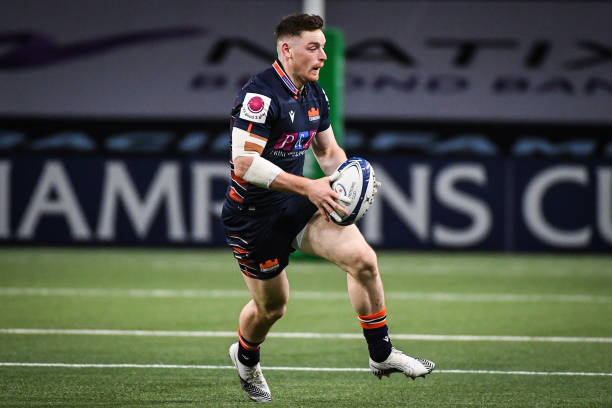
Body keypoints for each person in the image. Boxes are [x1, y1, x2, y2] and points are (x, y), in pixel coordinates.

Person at [221, 13, 435, 403]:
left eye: (323, 47)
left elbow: (329, 152)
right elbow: (244, 163)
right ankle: (246, 357)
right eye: (313, 47)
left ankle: (381, 354)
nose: (322, 56)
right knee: (272, 308)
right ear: (286, 49)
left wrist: (351, 180)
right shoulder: (259, 96)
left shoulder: (314, 94)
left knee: (364, 261)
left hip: (298, 201)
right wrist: (311, 186)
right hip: (253, 217)